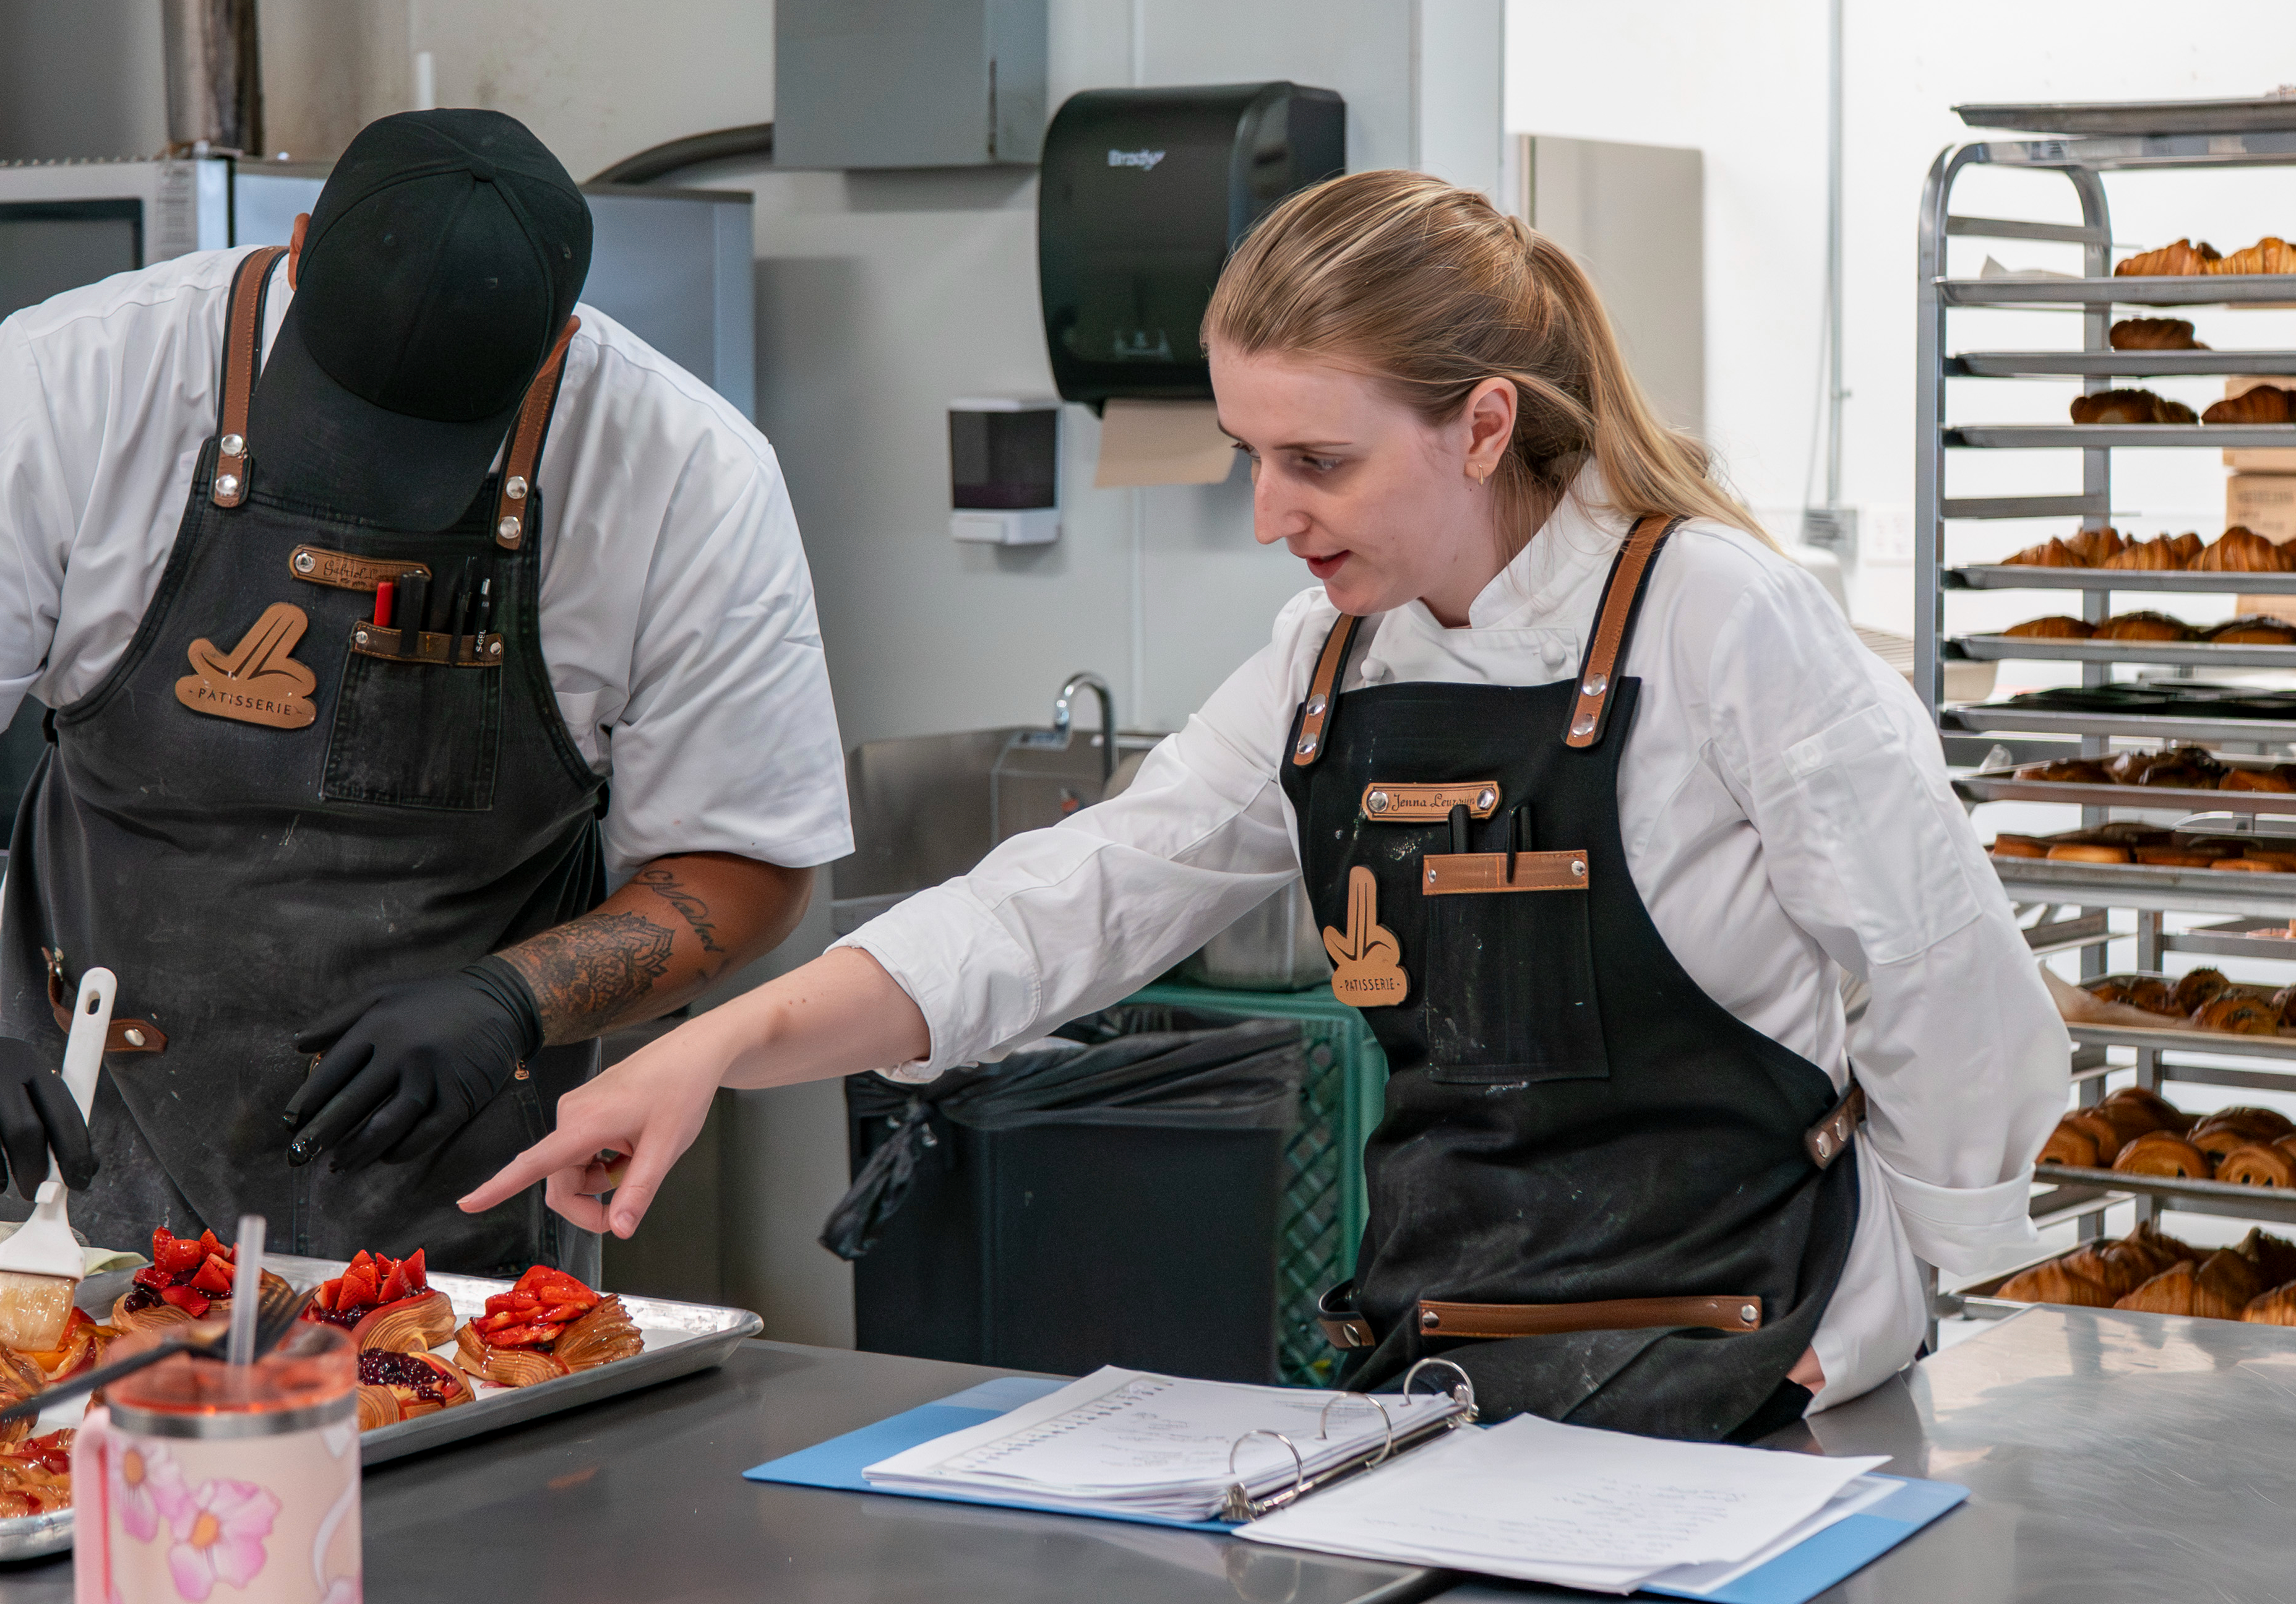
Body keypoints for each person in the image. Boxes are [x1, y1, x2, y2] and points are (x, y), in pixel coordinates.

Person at [473, 168, 2070, 1436]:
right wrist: (718, 1043)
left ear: (1485, 422)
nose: (1266, 514)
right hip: (1445, 1378)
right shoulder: (1331, 657)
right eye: (1248, 452)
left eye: (1316, 460)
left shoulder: (1712, 615)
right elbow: (1079, 894)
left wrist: (1889, 1313)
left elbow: (1944, 977)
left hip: (1750, 1374)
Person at [0, 110, 850, 1274]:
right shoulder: (80, 379)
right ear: (294, 249)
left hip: (459, 1200)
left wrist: (513, 1000)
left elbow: (746, 859)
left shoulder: (688, 474)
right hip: (86, 1153)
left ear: (554, 348)